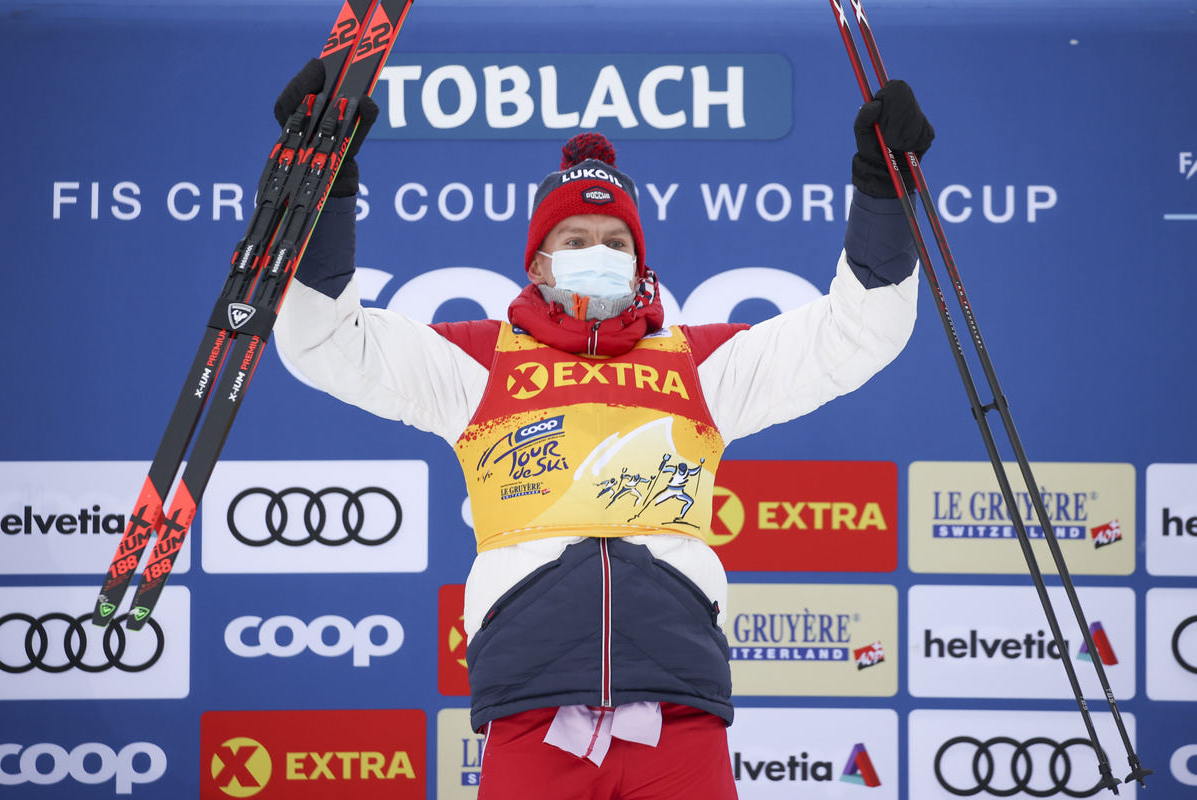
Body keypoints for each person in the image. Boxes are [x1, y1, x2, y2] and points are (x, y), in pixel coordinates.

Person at [273, 58, 932, 800]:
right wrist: (322, 192)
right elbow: (325, 343)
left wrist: (883, 190)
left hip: (678, 708)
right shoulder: (479, 362)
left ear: (641, 261)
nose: (598, 255)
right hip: (531, 705)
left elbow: (857, 334)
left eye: (615, 243)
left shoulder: (698, 365)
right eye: (577, 239)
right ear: (539, 262)